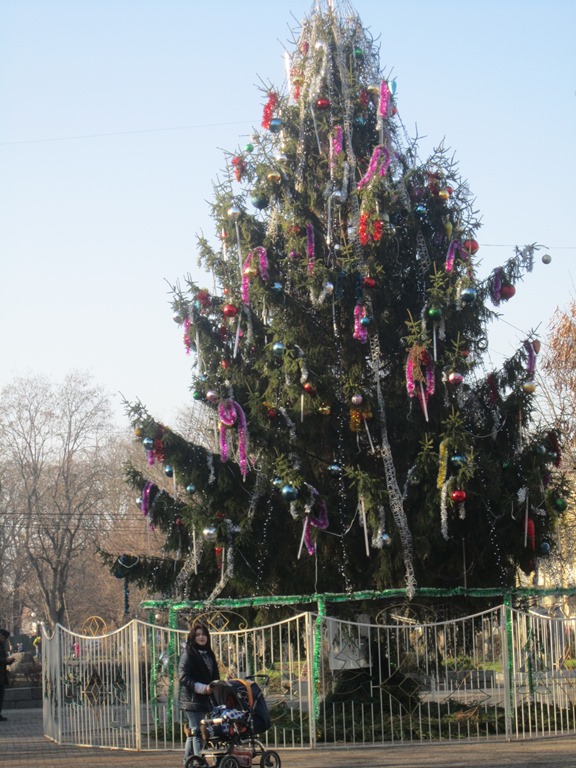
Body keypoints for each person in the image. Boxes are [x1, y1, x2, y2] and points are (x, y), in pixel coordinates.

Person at [179, 622, 220, 764]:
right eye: (198, 635)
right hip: (191, 699)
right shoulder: (188, 654)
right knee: (197, 732)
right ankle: (201, 763)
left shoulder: (209, 654)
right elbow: (183, 677)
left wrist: (216, 686)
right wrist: (201, 687)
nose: (201, 637)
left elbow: (215, 676)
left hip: (205, 699)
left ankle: (188, 762)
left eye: (203, 634)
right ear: (193, 637)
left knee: (193, 733)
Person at [0, 629, 15, 722]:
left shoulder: (2, 646)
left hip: (2, 674)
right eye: (3, 637)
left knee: (1, 696)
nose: (4, 639)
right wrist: (6, 661)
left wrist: (9, 661)